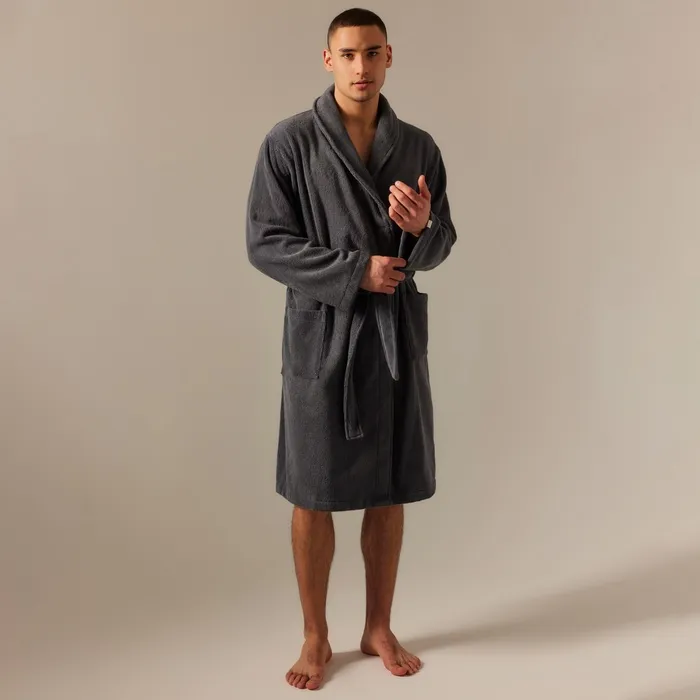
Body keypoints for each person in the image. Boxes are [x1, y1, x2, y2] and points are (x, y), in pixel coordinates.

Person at [245, 7, 457, 691]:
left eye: (372, 53)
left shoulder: (418, 146)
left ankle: (378, 627)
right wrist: (353, 271)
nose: (360, 67)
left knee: (388, 489)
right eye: (348, 54)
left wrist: (424, 227)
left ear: (389, 57)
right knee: (313, 491)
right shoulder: (290, 143)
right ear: (327, 59)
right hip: (324, 337)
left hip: (393, 337)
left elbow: (443, 242)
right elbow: (264, 242)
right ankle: (316, 635)